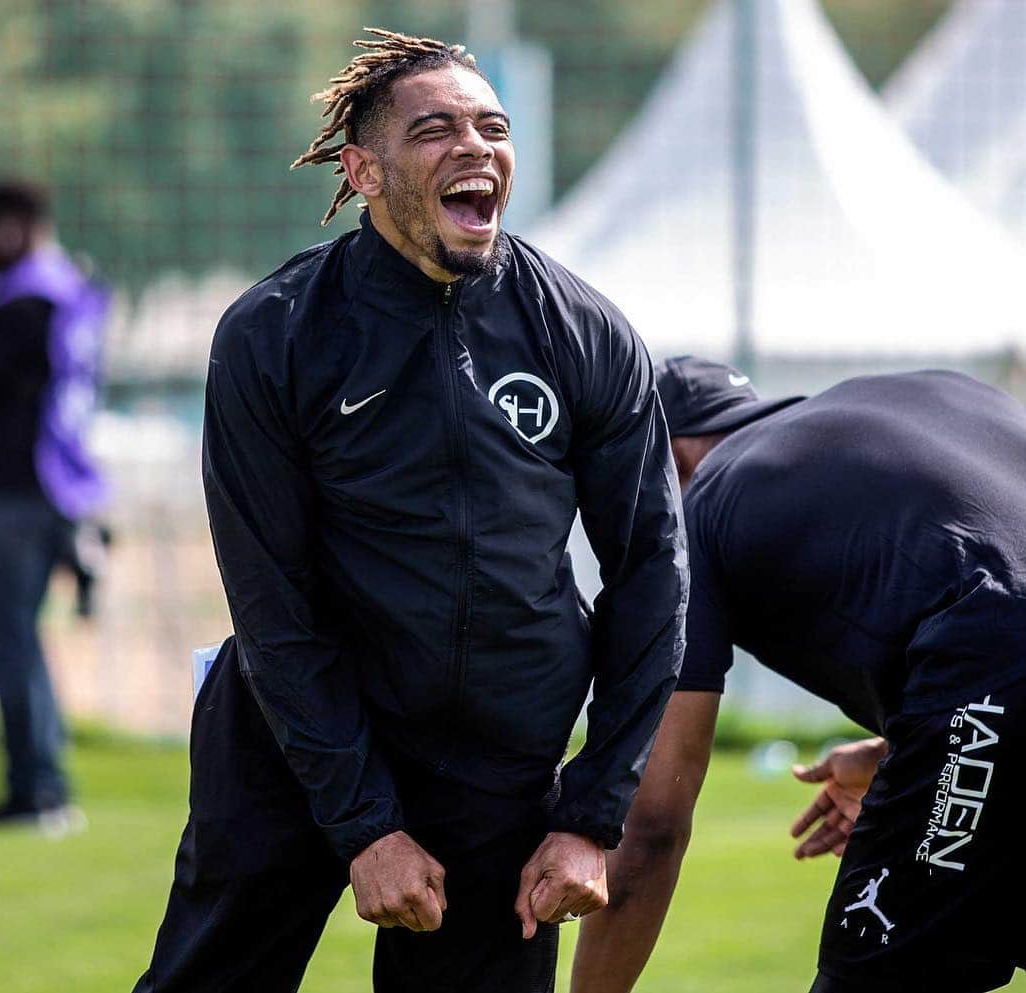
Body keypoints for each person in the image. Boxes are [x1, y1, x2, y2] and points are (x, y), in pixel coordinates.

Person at [131, 29, 687, 993]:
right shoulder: (277, 334)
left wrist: (590, 813)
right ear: (364, 169)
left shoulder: (583, 331)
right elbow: (275, 603)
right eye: (435, 131)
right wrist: (365, 823)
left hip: (496, 770)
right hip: (296, 736)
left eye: (493, 126)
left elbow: (650, 573)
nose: (475, 148)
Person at [570, 355, 1026, 993]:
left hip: (988, 671)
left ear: (667, 460)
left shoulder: (703, 507)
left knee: (877, 973)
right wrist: (898, 752)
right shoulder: (929, 391)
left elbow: (652, 826)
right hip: (988, 683)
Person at [0, 180, 109, 831]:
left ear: (14, 224)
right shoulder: (66, 286)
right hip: (61, 486)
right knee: (24, 641)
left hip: (20, 493)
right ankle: (41, 783)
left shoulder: (27, 301)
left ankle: (36, 789)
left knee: (10, 640)